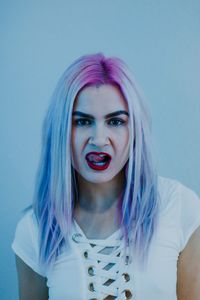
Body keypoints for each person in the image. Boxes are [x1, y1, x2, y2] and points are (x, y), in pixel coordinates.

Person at [12, 53, 200, 300]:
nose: (99, 139)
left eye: (115, 121)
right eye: (82, 121)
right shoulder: (35, 231)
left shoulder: (179, 207)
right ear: (61, 130)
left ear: (136, 130)